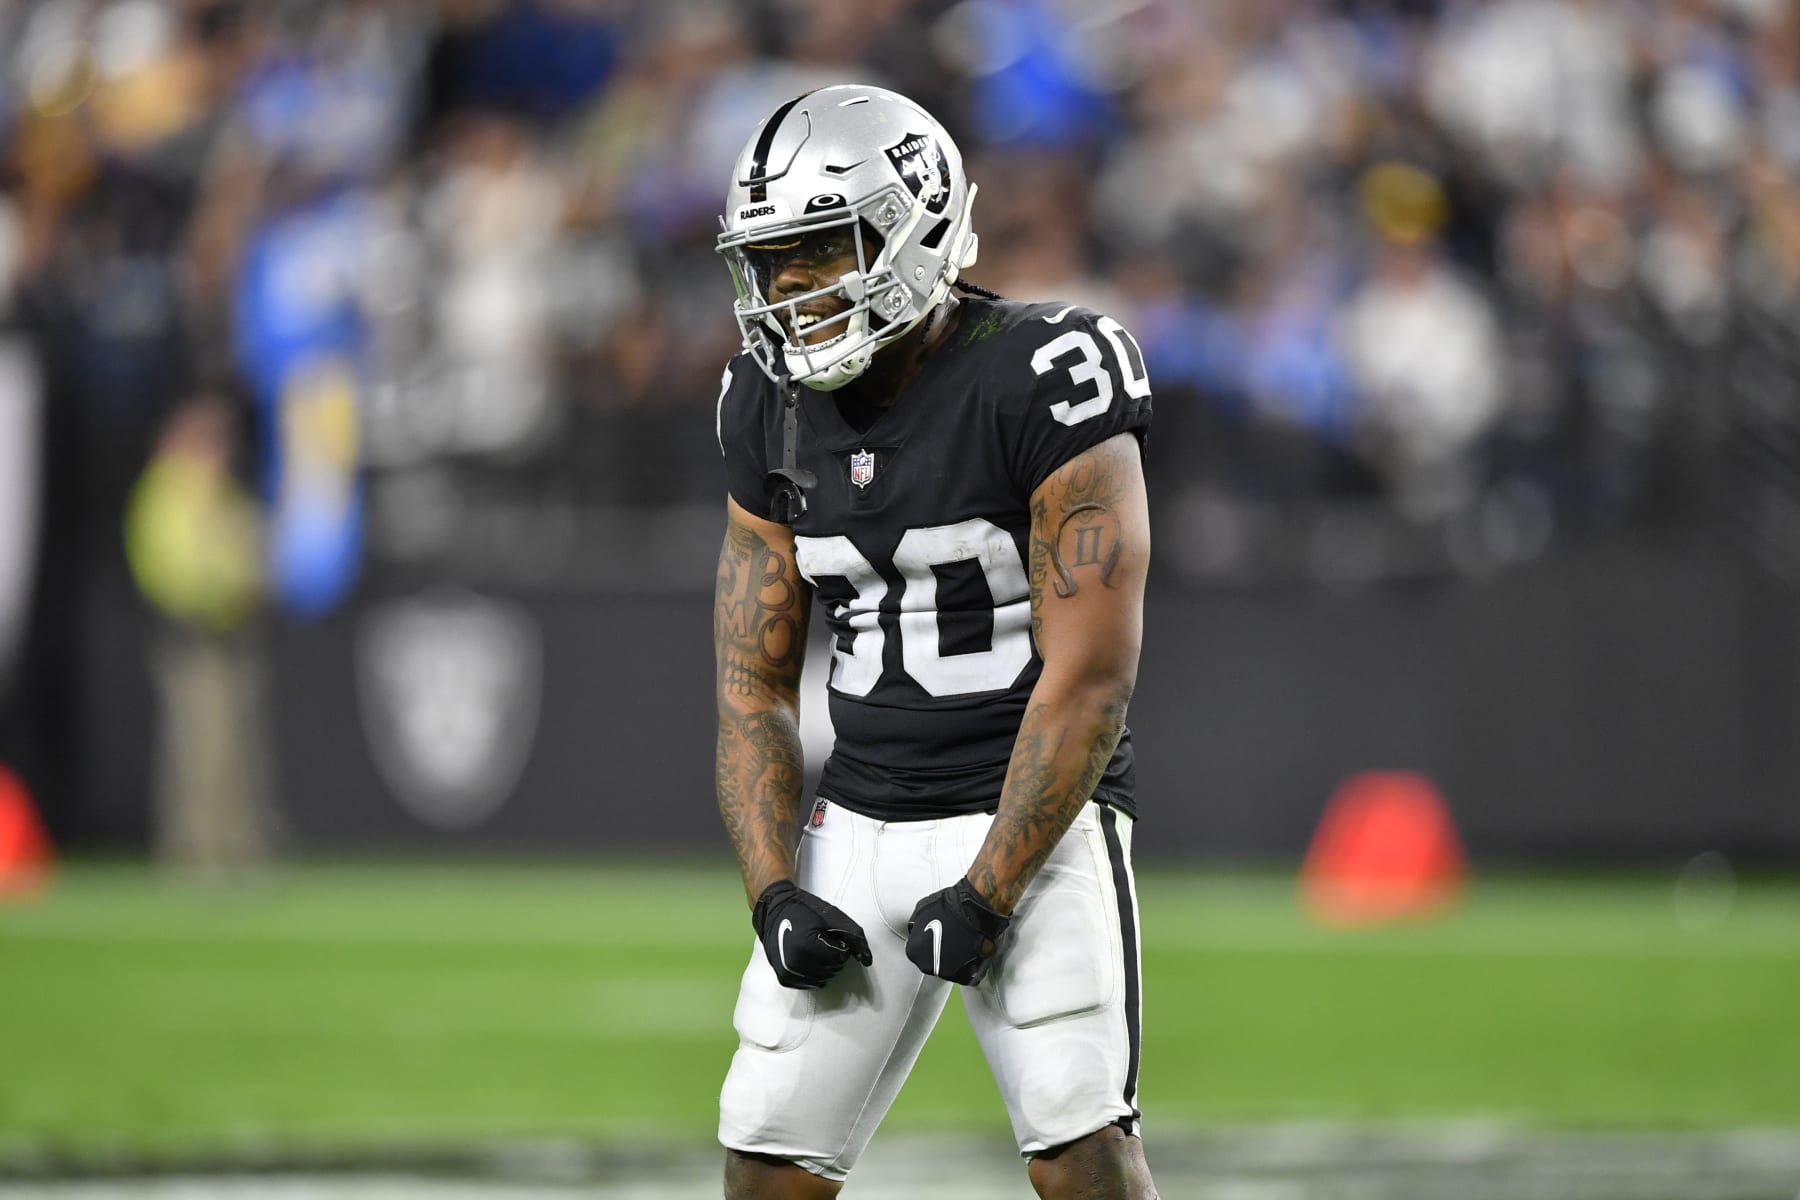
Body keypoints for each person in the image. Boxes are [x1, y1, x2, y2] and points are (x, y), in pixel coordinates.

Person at [710, 85, 1157, 1199]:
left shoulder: (1046, 371)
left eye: (821, 248)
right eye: (772, 260)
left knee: (1078, 1157)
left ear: (913, 225)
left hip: (1032, 814)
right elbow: (751, 683)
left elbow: (1091, 678)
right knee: (767, 1166)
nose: (792, 288)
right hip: (858, 819)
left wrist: (993, 888)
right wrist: (772, 891)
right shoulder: (764, 404)